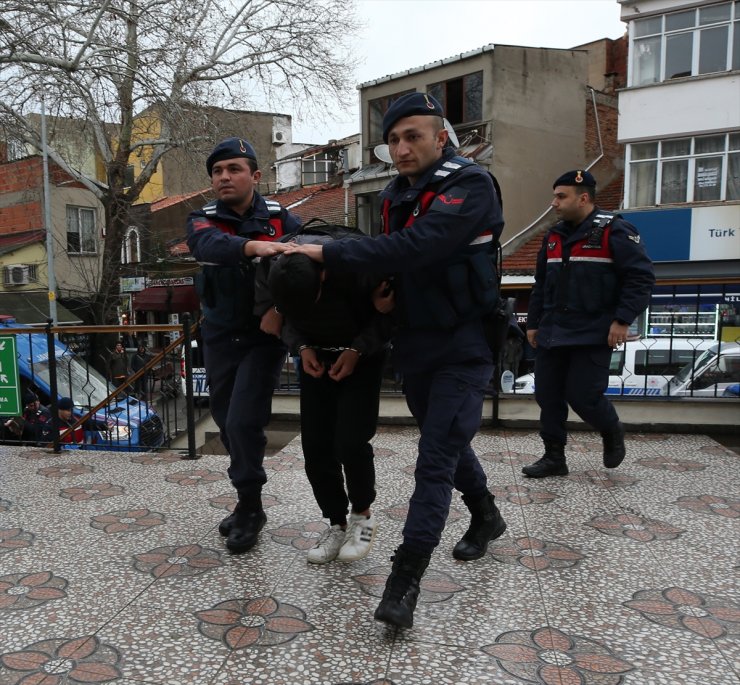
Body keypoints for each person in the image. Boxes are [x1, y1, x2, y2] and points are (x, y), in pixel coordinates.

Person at [287, 92, 507, 629]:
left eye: (413, 136)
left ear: (441, 137)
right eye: (393, 139)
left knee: (433, 458)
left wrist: (325, 251)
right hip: (415, 343)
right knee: (448, 442)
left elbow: (416, 247)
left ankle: (403, 581)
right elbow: (394, 266)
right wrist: (380, 307)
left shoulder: (470, 184)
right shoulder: (395, 194)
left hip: (465, 343)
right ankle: (486, 514)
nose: (402, 147)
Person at [186, 137, 299, 554]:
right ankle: (247, 493)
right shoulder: (203, 218)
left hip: (263, 336)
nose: (224, 177)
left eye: (233, 169)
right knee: (223, 416)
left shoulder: (283, 218)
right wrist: (251, 246)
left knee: (242, 421)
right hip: (218, 335)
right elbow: (206, 245)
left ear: (254, 175)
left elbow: (303, 269)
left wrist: (281, 312)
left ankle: (250, 507)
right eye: (217, 171)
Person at [259, 226, 391, 564]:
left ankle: (362, 515)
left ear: (324, 274)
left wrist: (358, 350)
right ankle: (336, 522)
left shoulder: (360, 266)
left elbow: (393, 315)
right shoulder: (277, 268)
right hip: (315, 358)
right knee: (316, 447)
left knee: (350, 441)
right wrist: (301, 347)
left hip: (362, 358)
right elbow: (285, 319)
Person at [522, 170, 655, 479]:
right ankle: (554, 457)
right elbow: (540, 283)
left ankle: (611, 430)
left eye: (561, 196)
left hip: (592, 331)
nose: (553, 202)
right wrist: (533, 323)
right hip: (553, 331)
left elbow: (640, 278)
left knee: (583, 396)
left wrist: (623, 320)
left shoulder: (615, 231)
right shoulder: (553, 235)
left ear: (583, 198)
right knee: (548, 396)